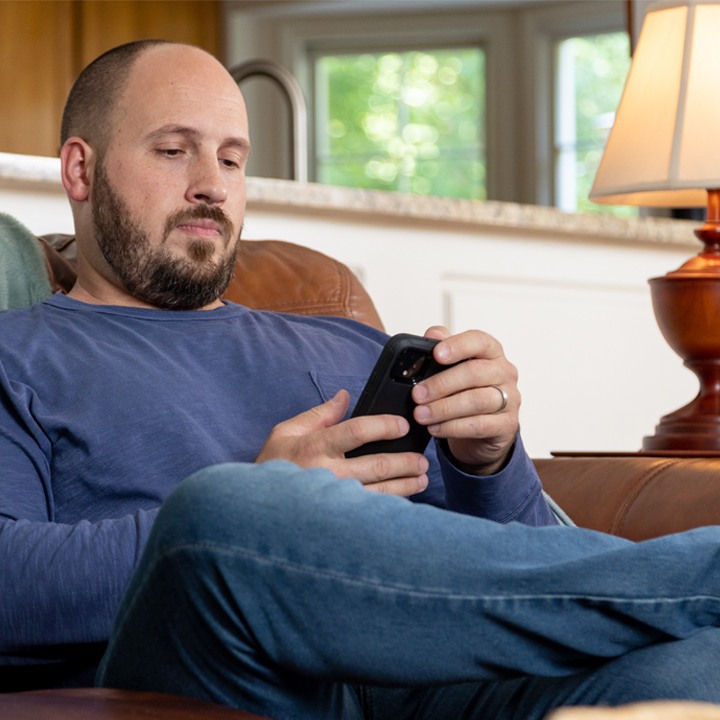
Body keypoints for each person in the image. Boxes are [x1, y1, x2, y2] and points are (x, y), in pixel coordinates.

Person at [1, 39, 720, 720]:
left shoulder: (347, 342)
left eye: (231, 159)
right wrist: (271, 501)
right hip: (216, 680)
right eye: (173, 150)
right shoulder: (18, 354)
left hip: (427, 683)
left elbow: (518, 581)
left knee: (697, 660)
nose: (212, 187)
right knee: (225, 507)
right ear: (80, 170)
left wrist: (488, 463)